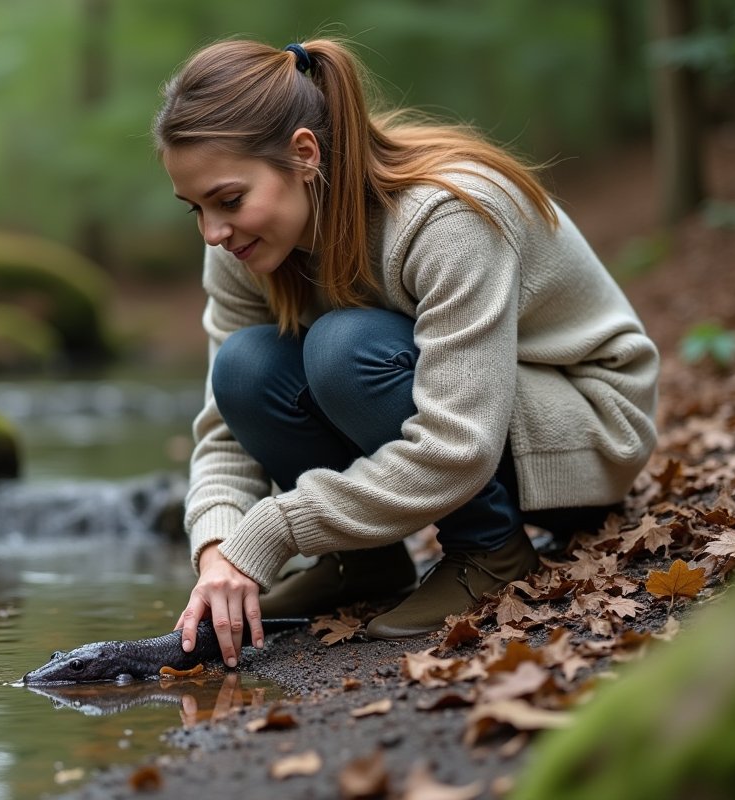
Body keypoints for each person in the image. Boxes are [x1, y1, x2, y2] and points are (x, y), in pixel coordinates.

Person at [153, 38, 660, 669]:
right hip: (478, 417)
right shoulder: (239, 247)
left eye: (228, 200)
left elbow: (459, 444)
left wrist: (277, 528)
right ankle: (359, 562)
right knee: (245, 365)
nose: (212, 231)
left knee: (344, 349)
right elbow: (225, 429)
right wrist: (218, 550)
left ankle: (490, 551)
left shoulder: (445, 214)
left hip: (583, 426)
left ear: (304, 154)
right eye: (195, 208)